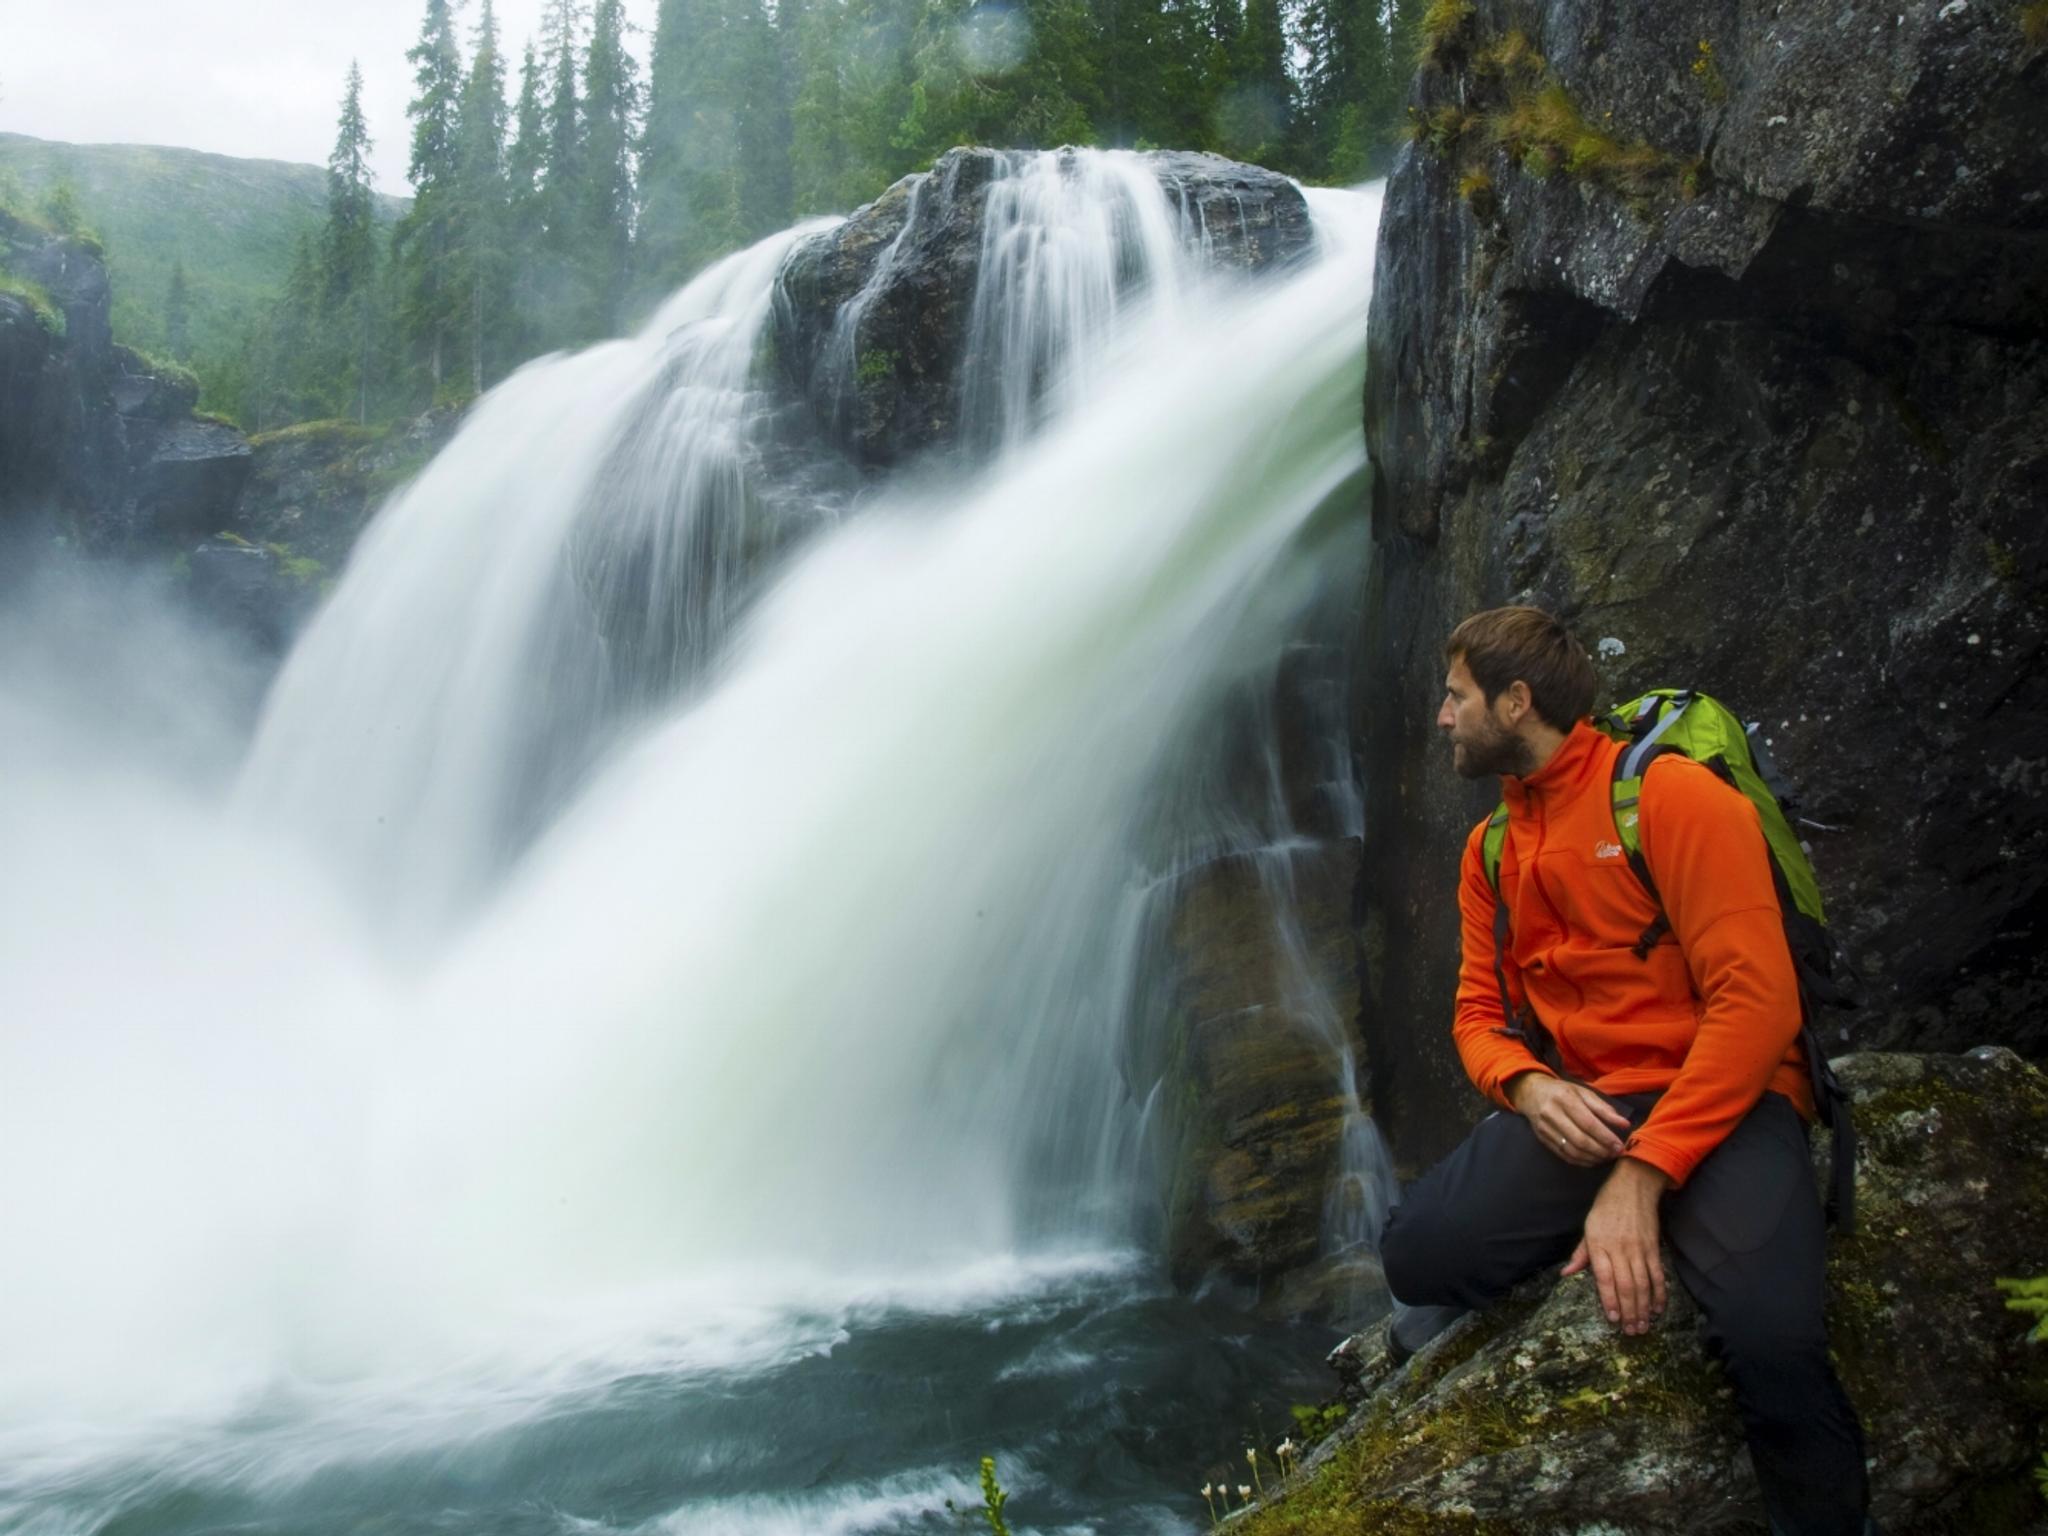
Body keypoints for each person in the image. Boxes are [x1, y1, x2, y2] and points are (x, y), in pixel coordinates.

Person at [1377, 605, 1875, 1536]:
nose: (1442, 718)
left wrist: (1642, 1180)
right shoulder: (1491, 848)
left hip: (1728, 1096)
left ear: (1515, 702)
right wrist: (1529, 1086)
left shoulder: (1672, 799)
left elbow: (1758, 1005)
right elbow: (1478, 1016)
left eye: (1456, 697)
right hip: (1593, 1103)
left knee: (1771, 1341)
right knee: (1417, 1252)